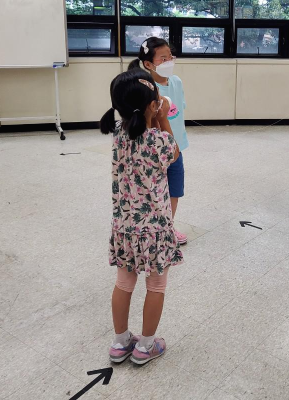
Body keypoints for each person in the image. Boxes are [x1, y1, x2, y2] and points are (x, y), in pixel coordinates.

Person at [100, 69, 182, 365]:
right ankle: (146, 346)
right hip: (155, 231)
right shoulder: (159, 140)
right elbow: (174, 154)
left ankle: (120, 342)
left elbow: (138, 128)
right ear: (152, 105)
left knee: (123, 284)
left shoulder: (118, 135)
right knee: (156, 286)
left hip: (124, 228)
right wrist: (163, 118)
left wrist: (152, 112)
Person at [128, 37, 190, 245]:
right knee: (155, 191)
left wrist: (177, 143)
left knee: (175, 189)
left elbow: (180, 110)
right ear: (148, 64)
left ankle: (168, 226)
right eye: (163, 58)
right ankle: (152, 228)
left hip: (176, 148)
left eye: (170, 56)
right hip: (155, 151)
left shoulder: (176, 81)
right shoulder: (146, 88)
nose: (169, 61)